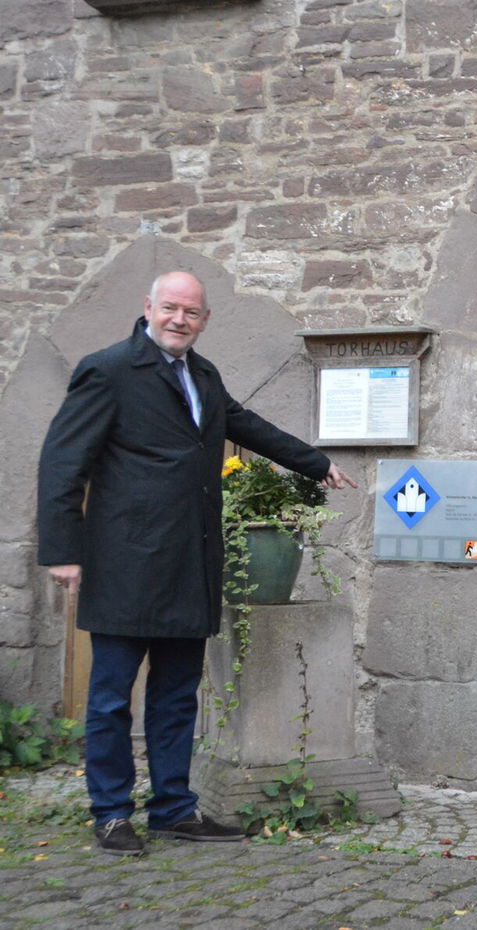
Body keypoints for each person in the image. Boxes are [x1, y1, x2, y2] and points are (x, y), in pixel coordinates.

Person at [37, 271, 358, 856]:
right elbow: (63, 463)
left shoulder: (203, 374)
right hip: (126, 562)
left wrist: (314, 463)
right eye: (169, 308)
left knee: (177, 695)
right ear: (148, 307)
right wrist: (62, 550)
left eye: (191, 312)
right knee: (110, 699)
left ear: (205, 319)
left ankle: (173, 809)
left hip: (190, 563)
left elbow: (245, 426)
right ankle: (111, 814)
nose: (179, 320)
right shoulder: (107, 370)